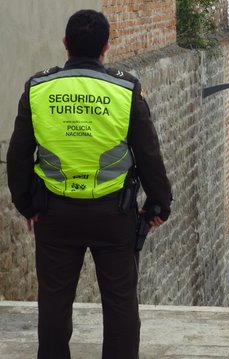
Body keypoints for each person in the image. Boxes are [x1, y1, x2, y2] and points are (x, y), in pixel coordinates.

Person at [7, 10, 173, 359]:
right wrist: (159, 204)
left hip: (54, 215)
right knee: (121, 306)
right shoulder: (125, 90)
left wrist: (27, 205)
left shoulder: (38, 89)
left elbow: (19, 156)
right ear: (106, 47)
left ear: (65, 44)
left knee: (53, 304)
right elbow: (149, 155)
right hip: (114, 216)